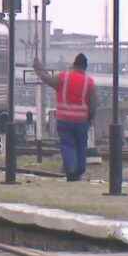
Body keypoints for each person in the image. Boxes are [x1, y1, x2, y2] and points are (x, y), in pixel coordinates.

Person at [33, 53, 98, 182]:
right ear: (85, 67)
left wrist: (39, 69)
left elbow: (47, 79)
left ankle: (71, 170)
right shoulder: (89, 82)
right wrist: (90, 118)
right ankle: (79, 171)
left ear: (74, 64)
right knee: (81, 146)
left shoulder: (64, 77)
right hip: (81, 121)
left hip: (64, 120)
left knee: (68, 145)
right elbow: (94, 103)